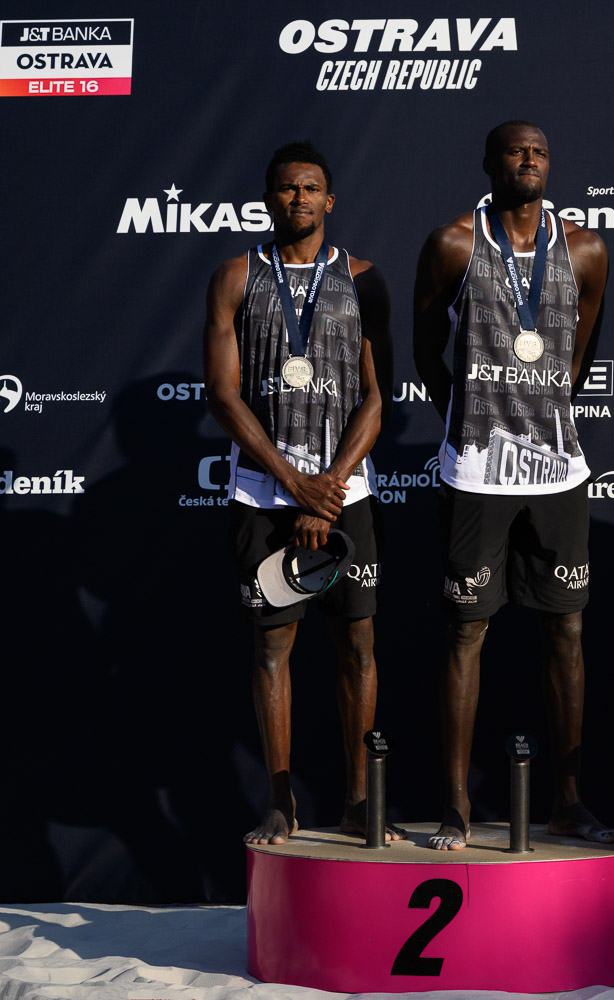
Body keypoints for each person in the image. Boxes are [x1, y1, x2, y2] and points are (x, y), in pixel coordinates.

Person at [413, 121, 614, 849]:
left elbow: (581, 353)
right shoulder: (453, 244)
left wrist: (541, 418)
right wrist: (471, 419)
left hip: (558, 471)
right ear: (489, 161)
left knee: (567, 630)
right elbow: (424, 351)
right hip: (478, 473)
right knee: (466, 631)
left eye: (540, 151)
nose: (529, 159)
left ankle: (568, 802)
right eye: (515, 150)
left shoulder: (586, 248)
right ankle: (456, 805)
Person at [204, 141, 397, 845]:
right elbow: (222, 395)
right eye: (287, 188)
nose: (299, 199)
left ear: (330, 200)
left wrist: (330, 488)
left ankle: (358, 801)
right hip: (264, 496)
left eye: (311, 188)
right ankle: (280, 801)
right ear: (268, 199)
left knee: (358, 647)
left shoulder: (364, 279)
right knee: (271, 649)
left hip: (347, 494)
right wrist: (296, 486)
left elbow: (377, 397)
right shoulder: (234, 276)